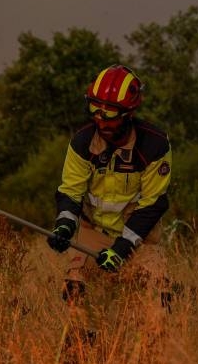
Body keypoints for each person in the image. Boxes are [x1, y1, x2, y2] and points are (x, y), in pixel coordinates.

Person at [46, 64, 173, 337]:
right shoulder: (82, 142)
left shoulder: (154, 145)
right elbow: (70, 191)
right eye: (95, 108)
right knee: (76, 290)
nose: (101, 119)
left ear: (129, 113)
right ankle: (82, 357)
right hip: (94, 233)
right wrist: (65, 226)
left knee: (160, 298)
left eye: (111, 112)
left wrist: (123, 247)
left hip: (140, 240)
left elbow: (153, 204)